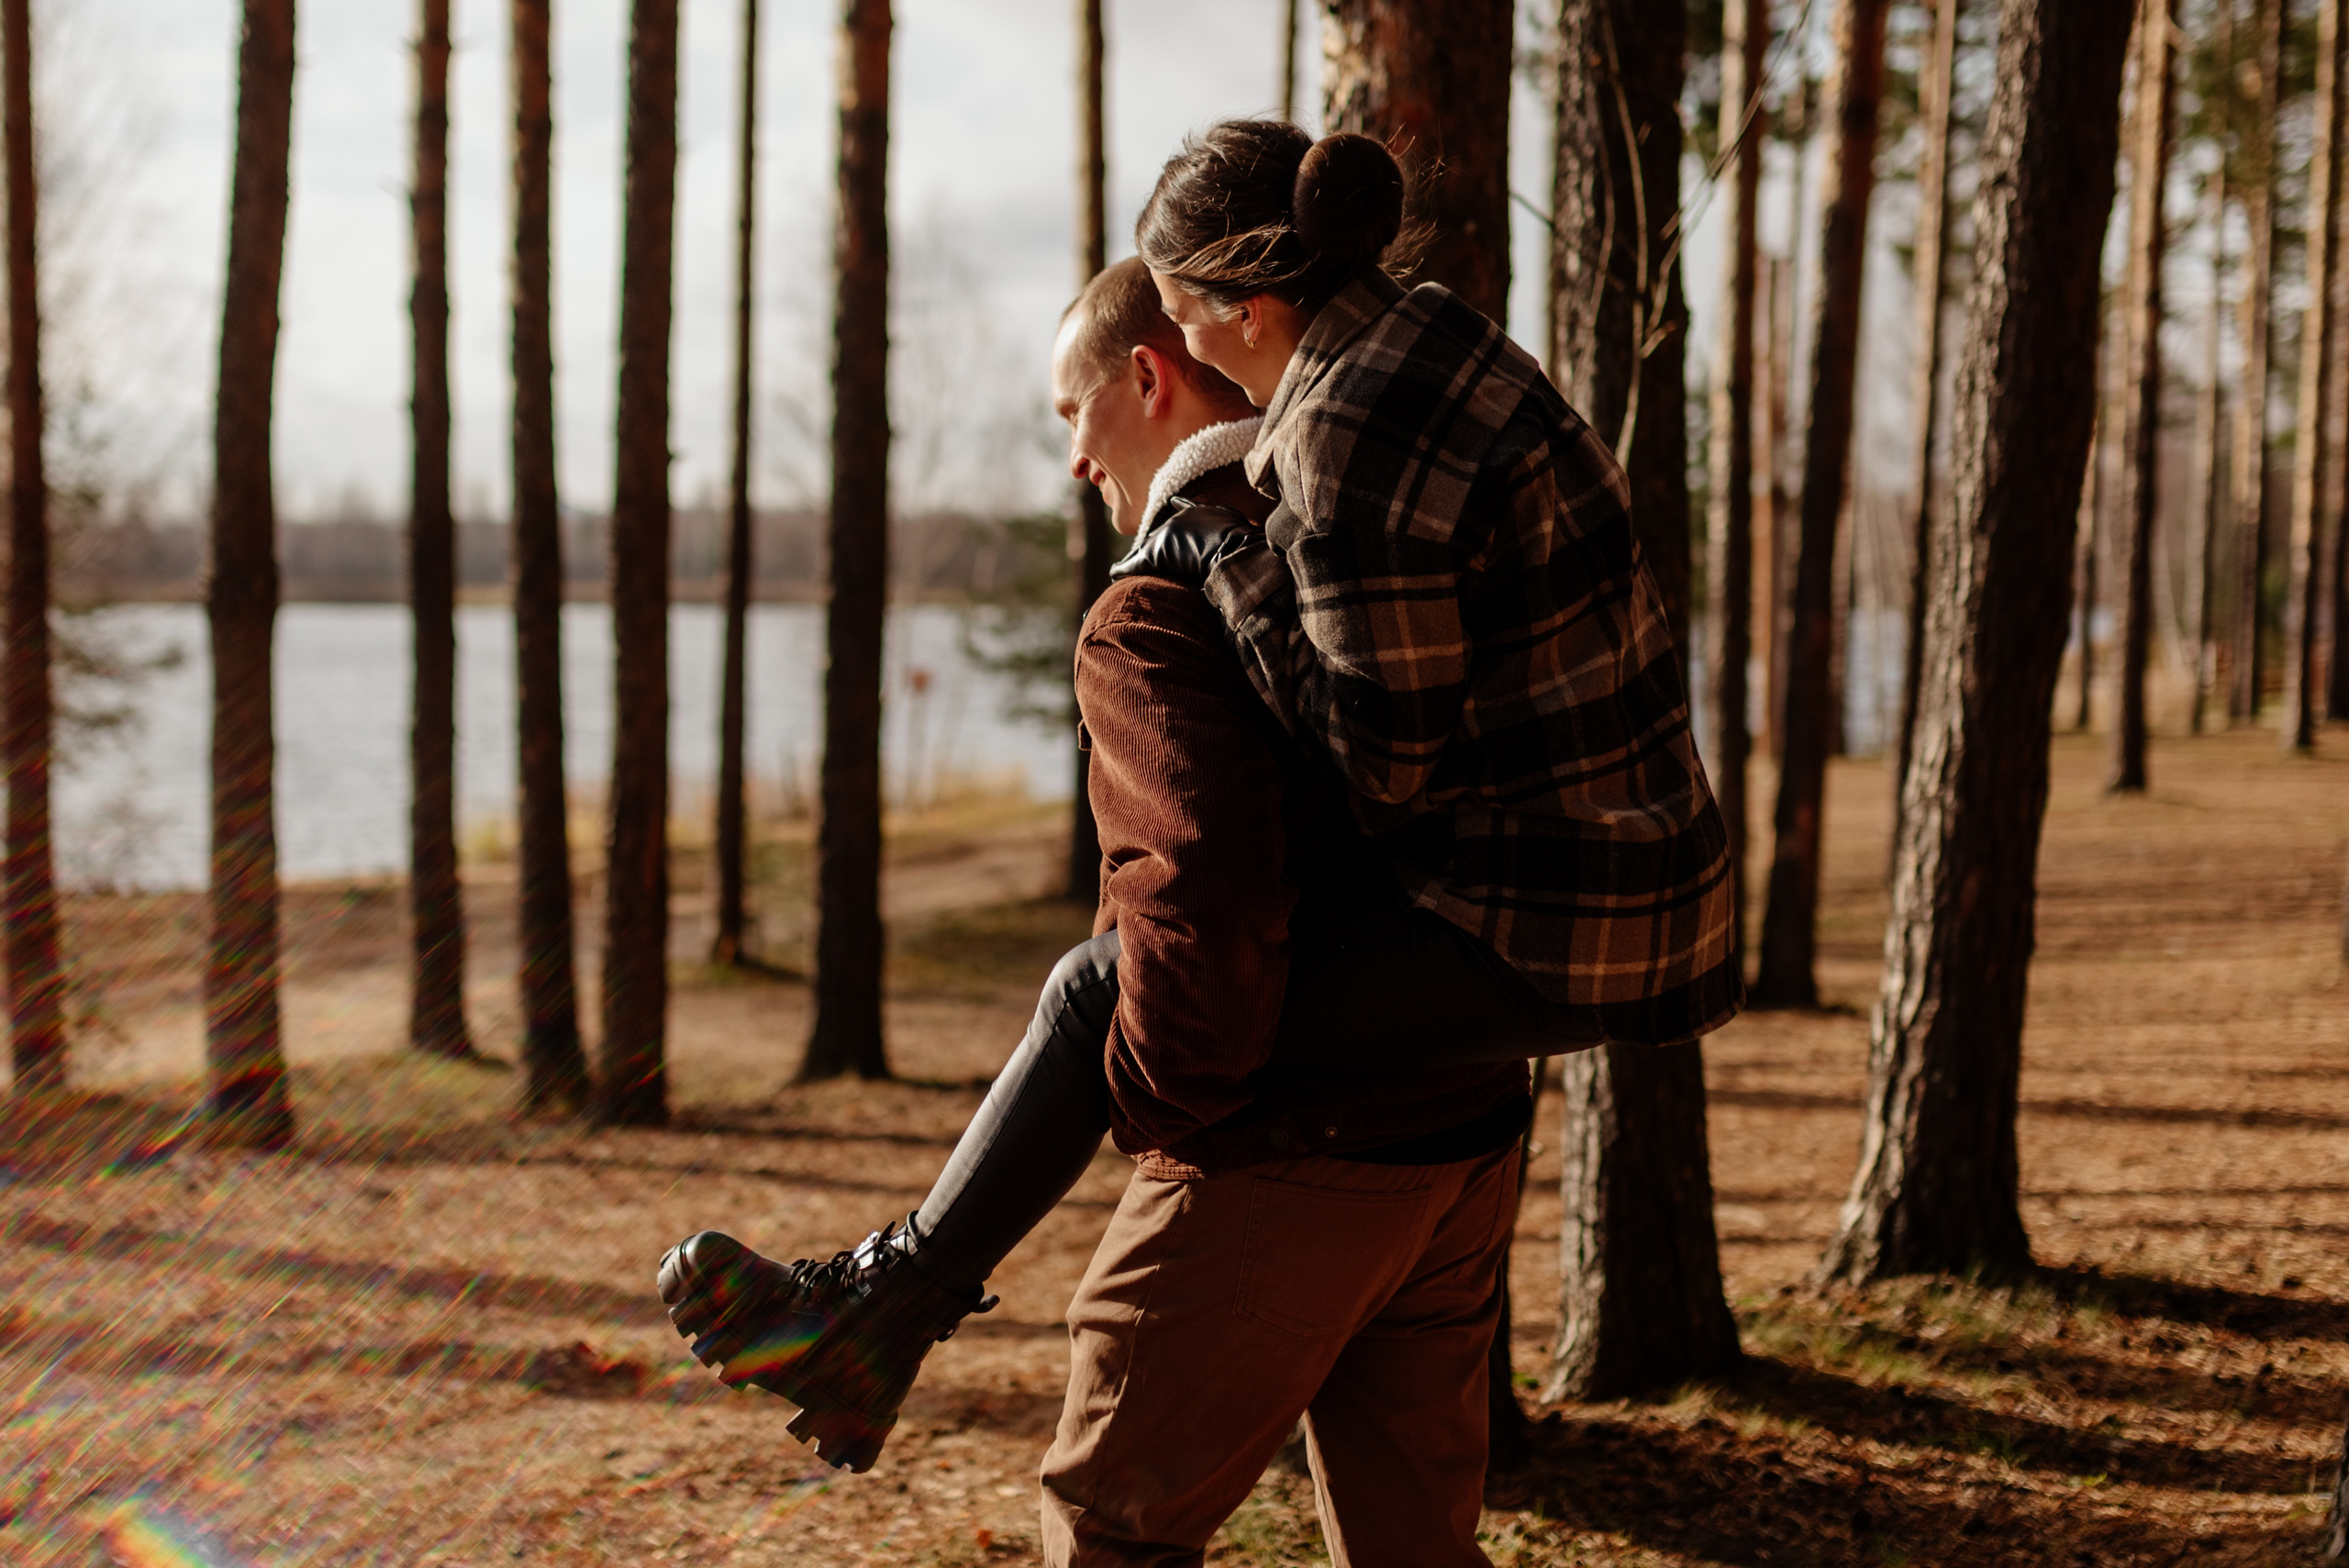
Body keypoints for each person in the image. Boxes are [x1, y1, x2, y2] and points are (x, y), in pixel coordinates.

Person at [658, 123, 1735, 1515]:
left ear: (1202, 334)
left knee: (1094, 1005)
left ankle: (889, 1300)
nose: (1067, 462)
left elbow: (1266, 858)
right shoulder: (1437, 349)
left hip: (1489, 987)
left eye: (1070, 414)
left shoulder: (1240, 528)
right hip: (1547, 1011)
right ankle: (888, 1296)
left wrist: (1172, 1123)